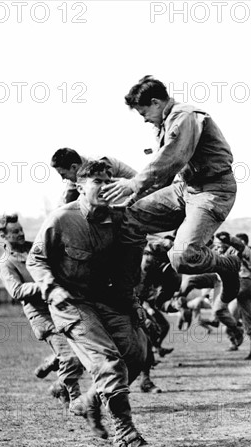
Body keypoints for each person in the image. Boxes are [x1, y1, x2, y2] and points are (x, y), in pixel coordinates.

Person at [27, 160, 161, 447]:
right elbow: (36, 260)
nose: (104, 187)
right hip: (71, 302)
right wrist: (52, 287)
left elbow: (126, 272)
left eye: (108, 181)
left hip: (106, 300)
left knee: (137, 354)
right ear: (79, 186)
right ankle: (125, 434)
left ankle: (89, 401)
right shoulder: (62, 219)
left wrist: (134, 304)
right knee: (109, 362)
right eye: (97, 181)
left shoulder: (120, 219)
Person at [102, 76, 242, 315]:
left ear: (156, 103)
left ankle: (227, 264)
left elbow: (172, 158)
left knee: (182, 257)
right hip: (185, 188)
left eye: (143, 112)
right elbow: (165, 175)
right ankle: (128, 288)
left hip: (213, 191)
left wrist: (135, 183)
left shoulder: (184, 116)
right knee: (129, 218)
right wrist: (133, 199)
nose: (144, 119)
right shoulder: (166, 124)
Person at [0, 214, 84, 406]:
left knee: (85, 349)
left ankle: (54, 364)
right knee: (72, 357)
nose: (20, 233)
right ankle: (72, 397)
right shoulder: (5, 265)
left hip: (61, 307)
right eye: (15, 231)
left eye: (21, 230)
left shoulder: (35, 247)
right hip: (41, 316)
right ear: (3, 235)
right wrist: (45, 285)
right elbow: (17, 291)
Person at [222, 232, 251, 359]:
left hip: (244, 285)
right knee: (242, 318)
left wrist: (229, 239)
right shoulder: (237, 254)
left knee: (221, 309)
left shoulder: (247, 251)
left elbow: (239, 247)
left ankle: (217, 318)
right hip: (246, 287)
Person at [50, 147, 136, 204]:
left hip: (137, 196)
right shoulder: (77, 171)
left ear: (73, 167)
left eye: (63, 174)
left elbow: (103, 194)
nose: (63, 178)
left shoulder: (100, 165)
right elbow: (67, 199)